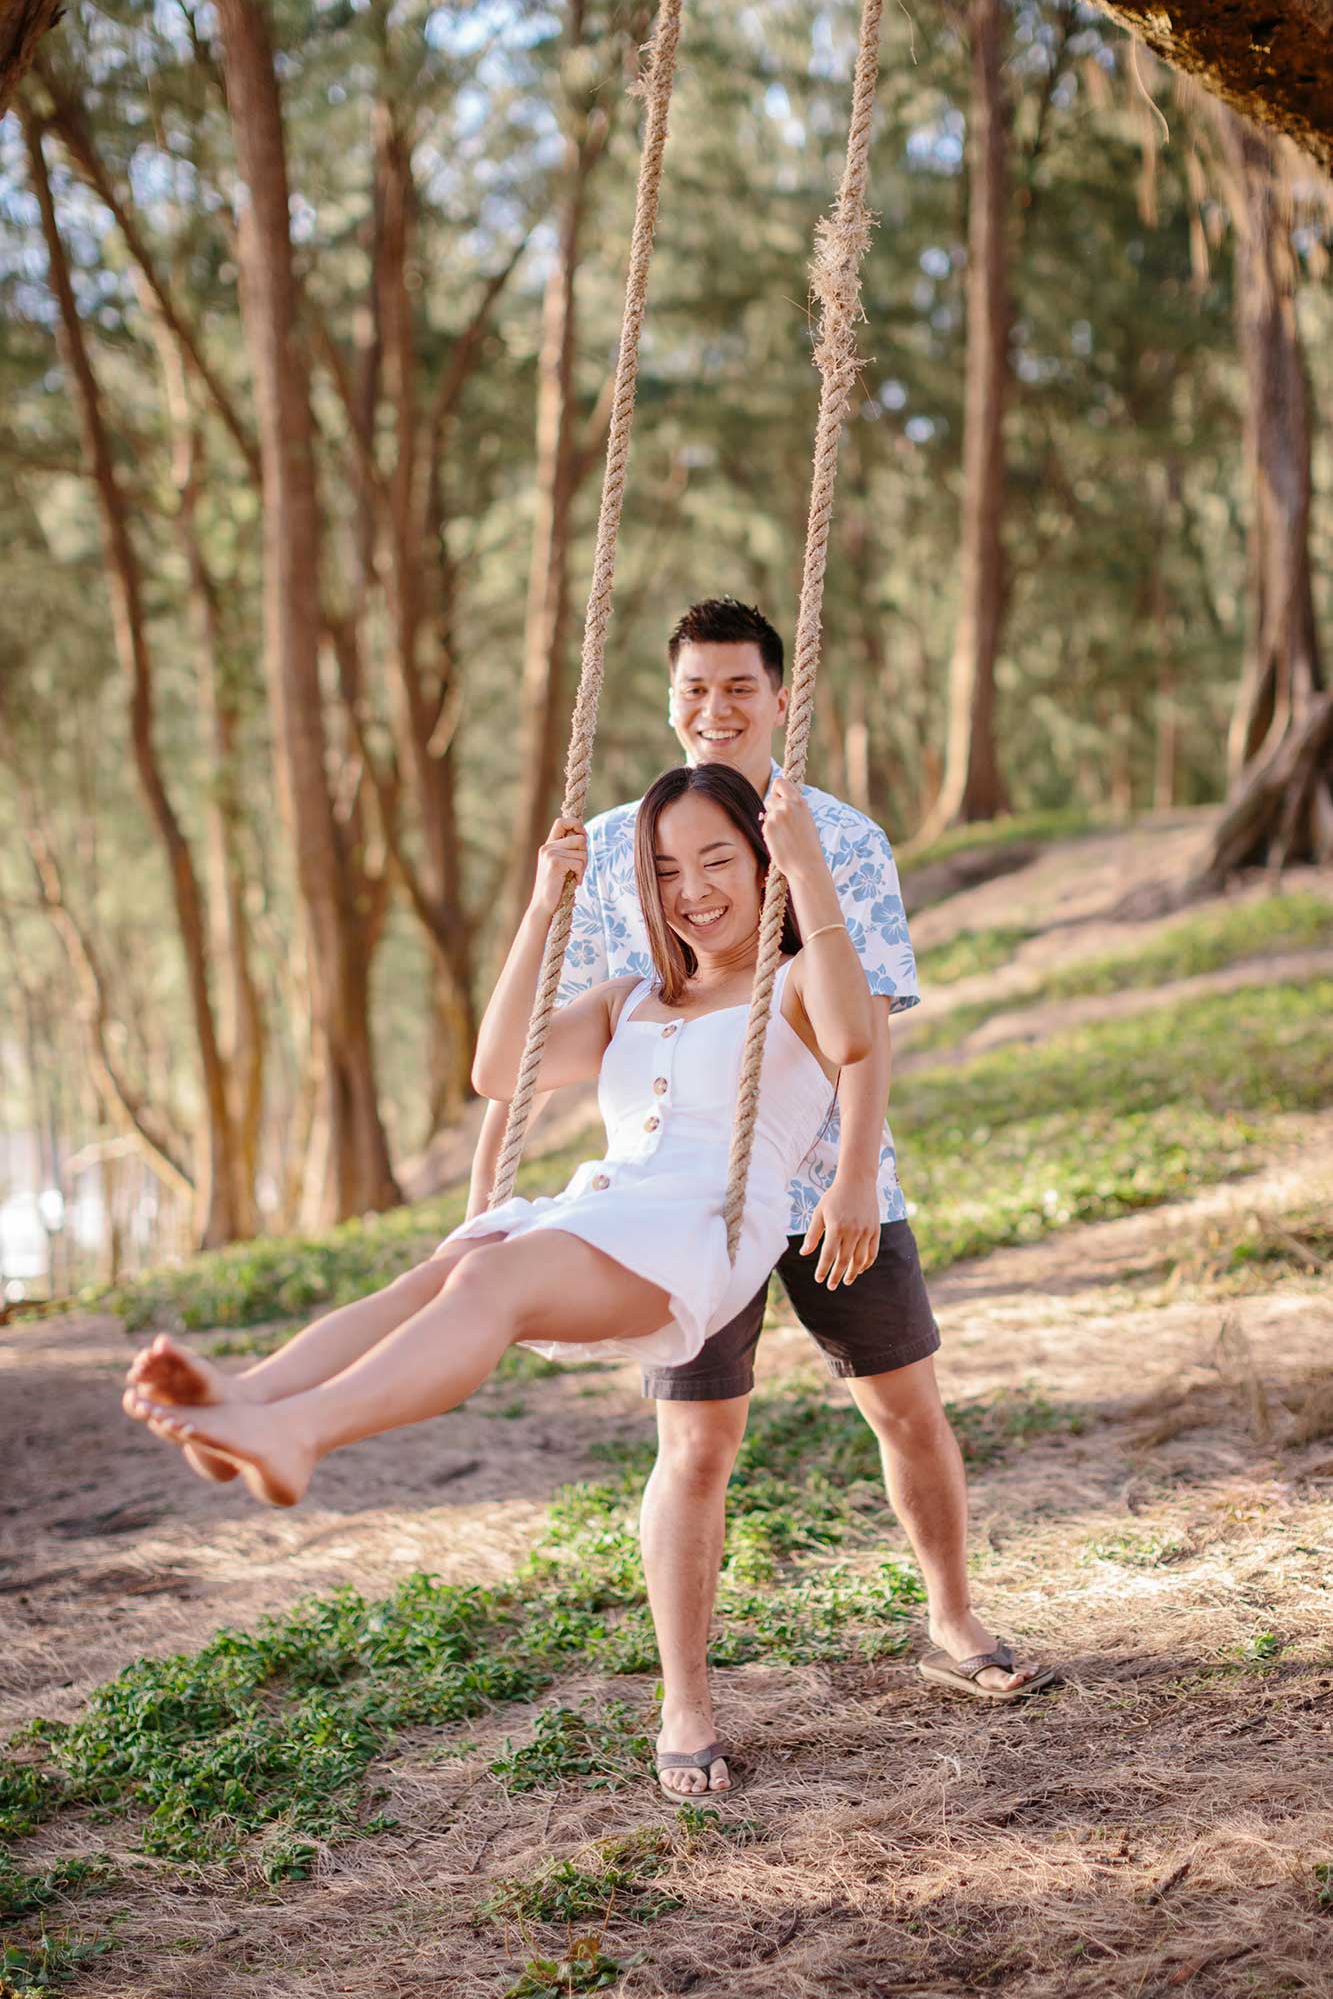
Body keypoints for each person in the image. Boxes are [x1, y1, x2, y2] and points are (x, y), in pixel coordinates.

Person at [469, 598, 1052, 1794]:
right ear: (669, 697)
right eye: (694, 688)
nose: (714, 710)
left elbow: (864, 1026)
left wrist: (848, 1177)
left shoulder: (835, 833)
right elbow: (545, 1032)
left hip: (833, 1178)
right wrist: (491, 1178)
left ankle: (952, 1617)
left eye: (738, 687)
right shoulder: (627, 841)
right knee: (696, 1443)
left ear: (778, 696)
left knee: (903, 1406)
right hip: (676, 1197)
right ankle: (685, 1703)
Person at [122, 768, 871, 1587]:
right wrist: (542, 905)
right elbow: (499, 1070)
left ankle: (297, 1432)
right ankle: (246, 1400)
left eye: (717, 860)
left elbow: (854, 1037)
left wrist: (811, 871)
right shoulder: (630, 1000)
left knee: (487, 1277)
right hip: (610, 1205)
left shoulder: (798, 983)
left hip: (702, 1228)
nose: (690, 889)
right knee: (433, 1277)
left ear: (764, 863)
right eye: (663, 870)